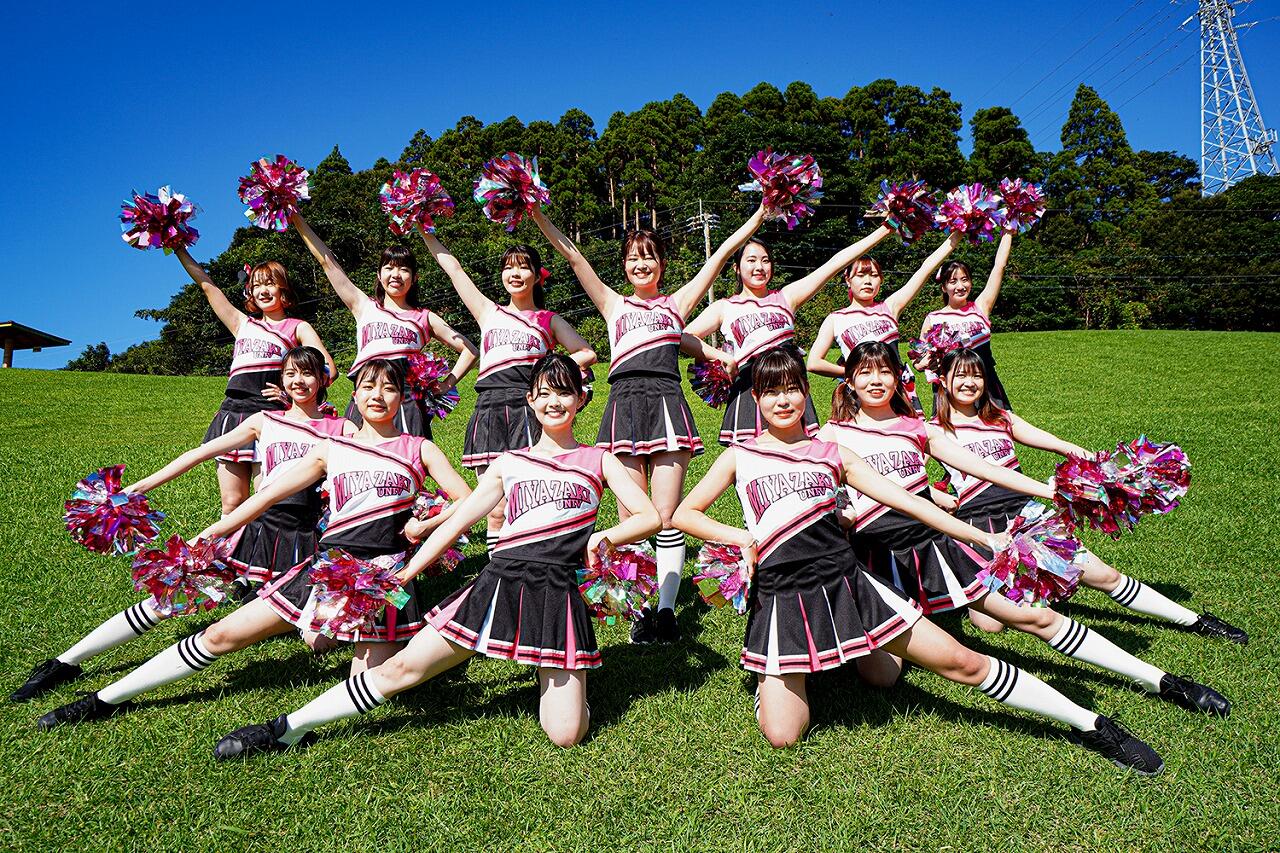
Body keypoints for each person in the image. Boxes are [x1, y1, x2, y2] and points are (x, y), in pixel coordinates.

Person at [671, 349, 1163, 773]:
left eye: (792, 389)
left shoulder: (832, 453)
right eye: (771, 392)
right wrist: (741, 537)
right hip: (782, 595)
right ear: (756, 399)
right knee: (784, 736)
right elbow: (684, 513)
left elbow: (912, 503)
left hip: (849, 584)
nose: (783, 401)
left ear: (806, 393)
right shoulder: (739, 455)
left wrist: (982, 537)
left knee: (960, 661)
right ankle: (775, 679)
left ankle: (1091, 724)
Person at [211, 354, 661, 757]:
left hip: (558, 593)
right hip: (498, 583)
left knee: (567, 734)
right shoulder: (509, 463)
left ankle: (557, 675)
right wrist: (407, 573)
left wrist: (605, 537)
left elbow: (649, 516)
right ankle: (286, 728)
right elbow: (456, 522)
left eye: (563, 393)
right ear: (529, 400)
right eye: (543, 394)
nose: (553, 403)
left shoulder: (599, 460)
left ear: (581, 399)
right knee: (402, 668)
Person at [34, 359, 470, 729]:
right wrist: (210, 534)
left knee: (379, 682)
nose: (378, 395)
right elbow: (265, 497)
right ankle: (103, 699)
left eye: (389, 388)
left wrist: (424, 526)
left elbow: (468, 500)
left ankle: (291, 725)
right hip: (325, 569)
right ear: (354, 394)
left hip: (386, 580)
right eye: (368, 386)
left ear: (402, 397)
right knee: (220, 633)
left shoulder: (419, 449)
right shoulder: (331, 447)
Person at [820, 342, 1230, 717]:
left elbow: (984, 469)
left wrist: (1051, 490)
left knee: (1038, 618)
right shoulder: (832, 434)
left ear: (898, 378)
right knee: (882, 677)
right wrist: (840, 513)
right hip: (875, 556)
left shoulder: (916, 428)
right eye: (865, 372)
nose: (876, 380)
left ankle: (1162, 681)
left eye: (885, 371)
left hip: (935, 546)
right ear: (849, 381)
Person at [11, 346, 346, 704]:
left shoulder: (341, 428)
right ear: (281, 378)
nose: (298, 381)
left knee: (319, 640)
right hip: (252, 528)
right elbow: (197, 455)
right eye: (290, 373)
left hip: (306, 538)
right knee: (168, 596)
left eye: (307, 373)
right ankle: (64, 662)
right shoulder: (265, 420)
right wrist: (136, 489)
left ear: (322, 379)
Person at [531, 203, 767, 644]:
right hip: (623, 405)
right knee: (632, 517)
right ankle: (639, 609)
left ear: (661, 263)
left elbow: (720, 257)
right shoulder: (613, 304)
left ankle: (666, 610)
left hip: (666, 403)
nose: (641, 264)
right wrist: (537, 214)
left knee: (667, 516)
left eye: (649, 256)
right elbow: (574, 257)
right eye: (633, 258)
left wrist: (759, 215)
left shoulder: (677, 304)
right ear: (624, 265)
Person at [931, 347, 1247, 644]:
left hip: (1025, 512)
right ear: (943, 380)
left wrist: (1108, 467)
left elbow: (1058, 444)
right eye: (961, 375)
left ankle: (1195, 620)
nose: (970, 383)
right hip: (978, 525)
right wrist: (939, 496)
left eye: (977, 375)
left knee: (1105, 575)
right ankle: (1020, 580)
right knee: (991, 624)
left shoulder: (1000, 419)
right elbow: (906, 480)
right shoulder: (932, 430)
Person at [417, 227, 596, 552]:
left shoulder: (548, 319)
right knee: (495, 506)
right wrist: (424, 228)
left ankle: (533, 555)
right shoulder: (488, 311)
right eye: (508, 267)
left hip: (527, 409)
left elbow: (586, 352)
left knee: (526, 497)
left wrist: (546, 373)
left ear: (537, 276)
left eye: (523, 267)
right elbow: (454, 269)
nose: (515, 274)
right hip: (489, 409)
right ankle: (497, 568)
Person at [683, 222, 894, 443]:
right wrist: (723, 357)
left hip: (791, 391)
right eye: (751, 260)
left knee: (799, 455)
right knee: (750, 459)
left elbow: (834, 264)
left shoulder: (786, 297)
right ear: (737, 267)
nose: (759, 267)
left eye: (765, 261)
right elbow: (684, 336)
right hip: (750, 394)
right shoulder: (724, 307)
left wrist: (885, 228)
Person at [174, 247, 336, 515]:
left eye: (270, 284)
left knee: (265, 501)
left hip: (269, 416)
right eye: (256, 285)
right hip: (232, 413)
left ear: (283, 290)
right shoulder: (242, 323)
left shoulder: (297, 327)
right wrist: (178, 248)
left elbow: (328, 368)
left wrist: (290, 394)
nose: (263, 291)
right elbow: (207, 287)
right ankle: (224, 544)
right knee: (232, 502)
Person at [291, 210, 477, 436]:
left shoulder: (424, 317)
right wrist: (295, 217)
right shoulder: (363, 305)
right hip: (364, 399)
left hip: (405, 404)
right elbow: (327, 262)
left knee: (407, 456)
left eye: (404, 269)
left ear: (414, 278)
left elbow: (470, 350)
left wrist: (446, 384)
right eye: (389, 268)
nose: (396, 274)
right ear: (379, 275)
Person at [806, 232, 962, 413]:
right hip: (861, 395)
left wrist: (958, 234)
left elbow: (925, 269)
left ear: (880, 280)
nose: (867, 281)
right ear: (848, 280)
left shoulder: (890, 308)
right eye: (860, 275)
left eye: (874, 275)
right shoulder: (835, 318)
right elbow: (813, 363)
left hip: (899, 393)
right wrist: (853, 372)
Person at [917, 230, 1014, 410]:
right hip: (950, 391)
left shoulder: (981, 307)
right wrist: (923, 363)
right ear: (944, 287)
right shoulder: (933, 319)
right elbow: (919, 358)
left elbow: (999, 266)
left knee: (999, 426)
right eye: (953, 281)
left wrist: (1009, 230)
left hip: (986, 386)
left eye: (965, 280)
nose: (960, 286)